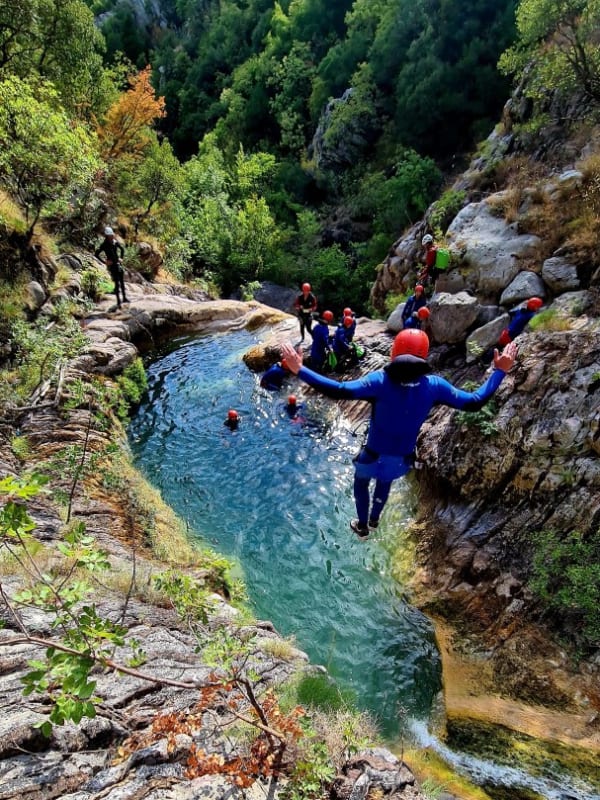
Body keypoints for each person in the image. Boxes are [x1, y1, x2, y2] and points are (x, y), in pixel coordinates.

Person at [280, 332, 517, 539]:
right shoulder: (434, 386)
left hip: (371, 456)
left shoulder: (379, 381)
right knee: (386, 482)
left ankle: (362, 526)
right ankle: (375, 520)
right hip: (401, 460)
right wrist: (499, 372)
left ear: (394, 352)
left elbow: (339, 390)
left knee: (361, 485)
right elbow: (475, 402)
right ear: (424, 355)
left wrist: (300, 369)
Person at [95, 226, 128, 308]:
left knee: (122, 282)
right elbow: (96, 254)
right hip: (112, 265)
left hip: (118, 264)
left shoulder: (114, 242)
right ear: (107, 236)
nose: (112, 236)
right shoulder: (104, 245)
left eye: (112, 235)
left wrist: (121, 258)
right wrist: (105, 262)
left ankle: (124, 298)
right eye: (110, 235)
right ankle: (119, 302)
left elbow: (122, 249)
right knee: (117, 282)